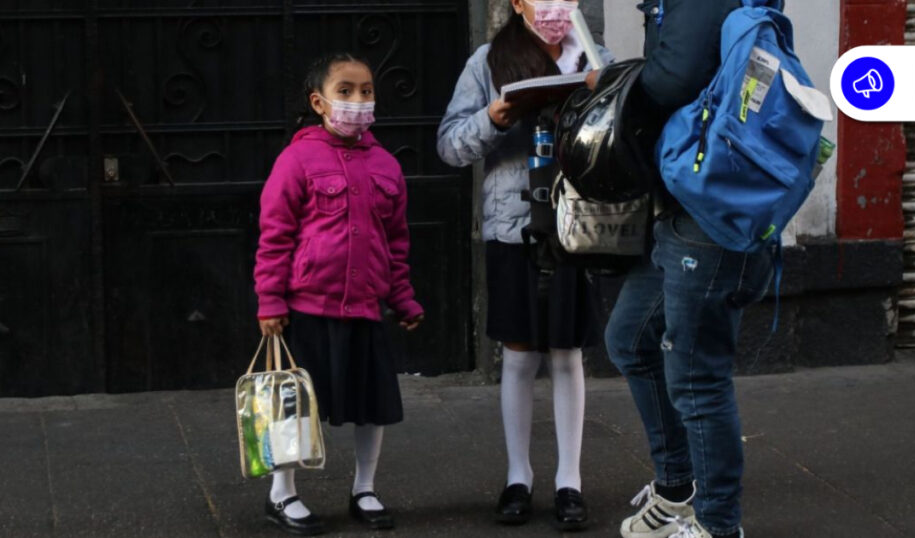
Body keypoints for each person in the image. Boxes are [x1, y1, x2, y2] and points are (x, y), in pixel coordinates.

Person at [592, 2, 772, 538]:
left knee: (697, 378)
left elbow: (676, 76)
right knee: (629, 338)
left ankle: (718, 525)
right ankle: (677, 490)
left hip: (708, 204)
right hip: (686, 199)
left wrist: (612, 79)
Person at [436, 0, 613, 531]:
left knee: (566, 350)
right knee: (517, 351)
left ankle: (569, 481)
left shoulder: (593, 54)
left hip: (574, 222)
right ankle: (519, 477)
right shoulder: (488, 61)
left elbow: (620, 134)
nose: (555, 4)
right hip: (511, 223)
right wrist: (492, 120)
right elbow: (448, 146)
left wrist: (601, 98)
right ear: (517, 3)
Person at [254, 52, 424, 536]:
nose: (357, 100)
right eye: (345, 91)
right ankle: (282, 493)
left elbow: (396, 243)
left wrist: (403, 298)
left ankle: (364, 487)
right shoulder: (297, 159)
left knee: (373, 403)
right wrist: (270, 300)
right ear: (319, 102)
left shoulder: (387, 166)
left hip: (367, 306)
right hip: (309, 307)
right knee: (297, 406)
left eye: (366, 91)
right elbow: (275, 235)